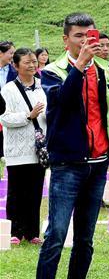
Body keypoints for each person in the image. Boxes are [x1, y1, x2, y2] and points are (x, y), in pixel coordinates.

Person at [31, 13, 109, 279]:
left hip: (97, 163)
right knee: (55, 234)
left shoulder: (104, 71)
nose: (85, 41)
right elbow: (62, 104)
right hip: (68, 164)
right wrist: (78, 67)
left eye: (88, 35)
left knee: (85, 236)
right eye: (78, 36)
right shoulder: (51, 73)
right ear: (65, 40)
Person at [0, 48, 47, 244]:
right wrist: (29, 115)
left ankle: (32, 232)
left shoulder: (43, 86)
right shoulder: (8, 89)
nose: (32, 65)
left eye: (34, 61)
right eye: (27, 62)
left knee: (35, 191)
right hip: (17, 150)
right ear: (16, 65)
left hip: (38, 149)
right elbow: (4, 117)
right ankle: (15, 232)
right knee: (16, 191)